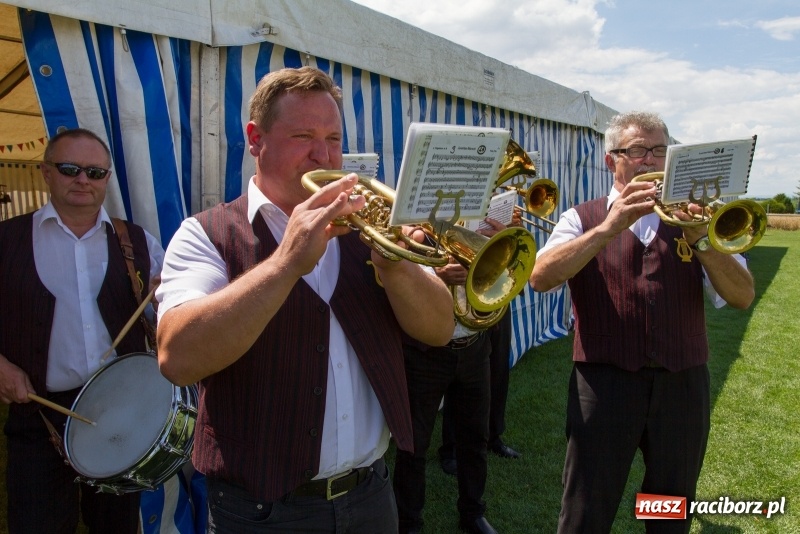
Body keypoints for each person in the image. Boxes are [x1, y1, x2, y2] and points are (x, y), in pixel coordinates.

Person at [155, 66, 454, 533]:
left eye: (334, 137)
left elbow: (439, 329)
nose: (325, 154)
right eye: (303, 136)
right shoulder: (205, 234)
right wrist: (285, 263)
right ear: (256, 139)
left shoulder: (367, 226)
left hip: (371, 494)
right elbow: (177, 357)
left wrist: (395, 265)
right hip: (259, 512)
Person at [529, 110, 755, 534]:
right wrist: (609, 229)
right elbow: (540, 277)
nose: (649, 161)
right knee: (586, 506)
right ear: (611, 160)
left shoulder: (696, 219)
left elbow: (742, 296)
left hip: (681, 385)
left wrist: (701, 237)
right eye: (636, 150)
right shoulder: (583, 217)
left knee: (668, 508)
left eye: (659, 151)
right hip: (604, 383)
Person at [0, 128, 163, 533]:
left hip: (120, 415)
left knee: (116, 528)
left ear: (107, 179)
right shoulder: (6, 240)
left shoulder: (138, 243)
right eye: (70, 169)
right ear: (46, 173)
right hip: (39, 415)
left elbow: (174, 311)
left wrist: (169, 299)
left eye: (95, 172)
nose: (82, 180)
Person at [394, 216, 521, 534]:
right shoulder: (415, 223)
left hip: (474, 346)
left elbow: (503, 279)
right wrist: (436, 275)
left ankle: (473, 513)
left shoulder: (478, 220)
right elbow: (398, 274)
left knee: (475, 437)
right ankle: (409, 522)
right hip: (425, 353)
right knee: (414, 445)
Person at [438, 217, 522, 479]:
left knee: (497, 371)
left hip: (493, 295)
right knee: (459, 379)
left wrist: (510, 232)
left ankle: (493, 436)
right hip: (462, 296)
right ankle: (450, 449)